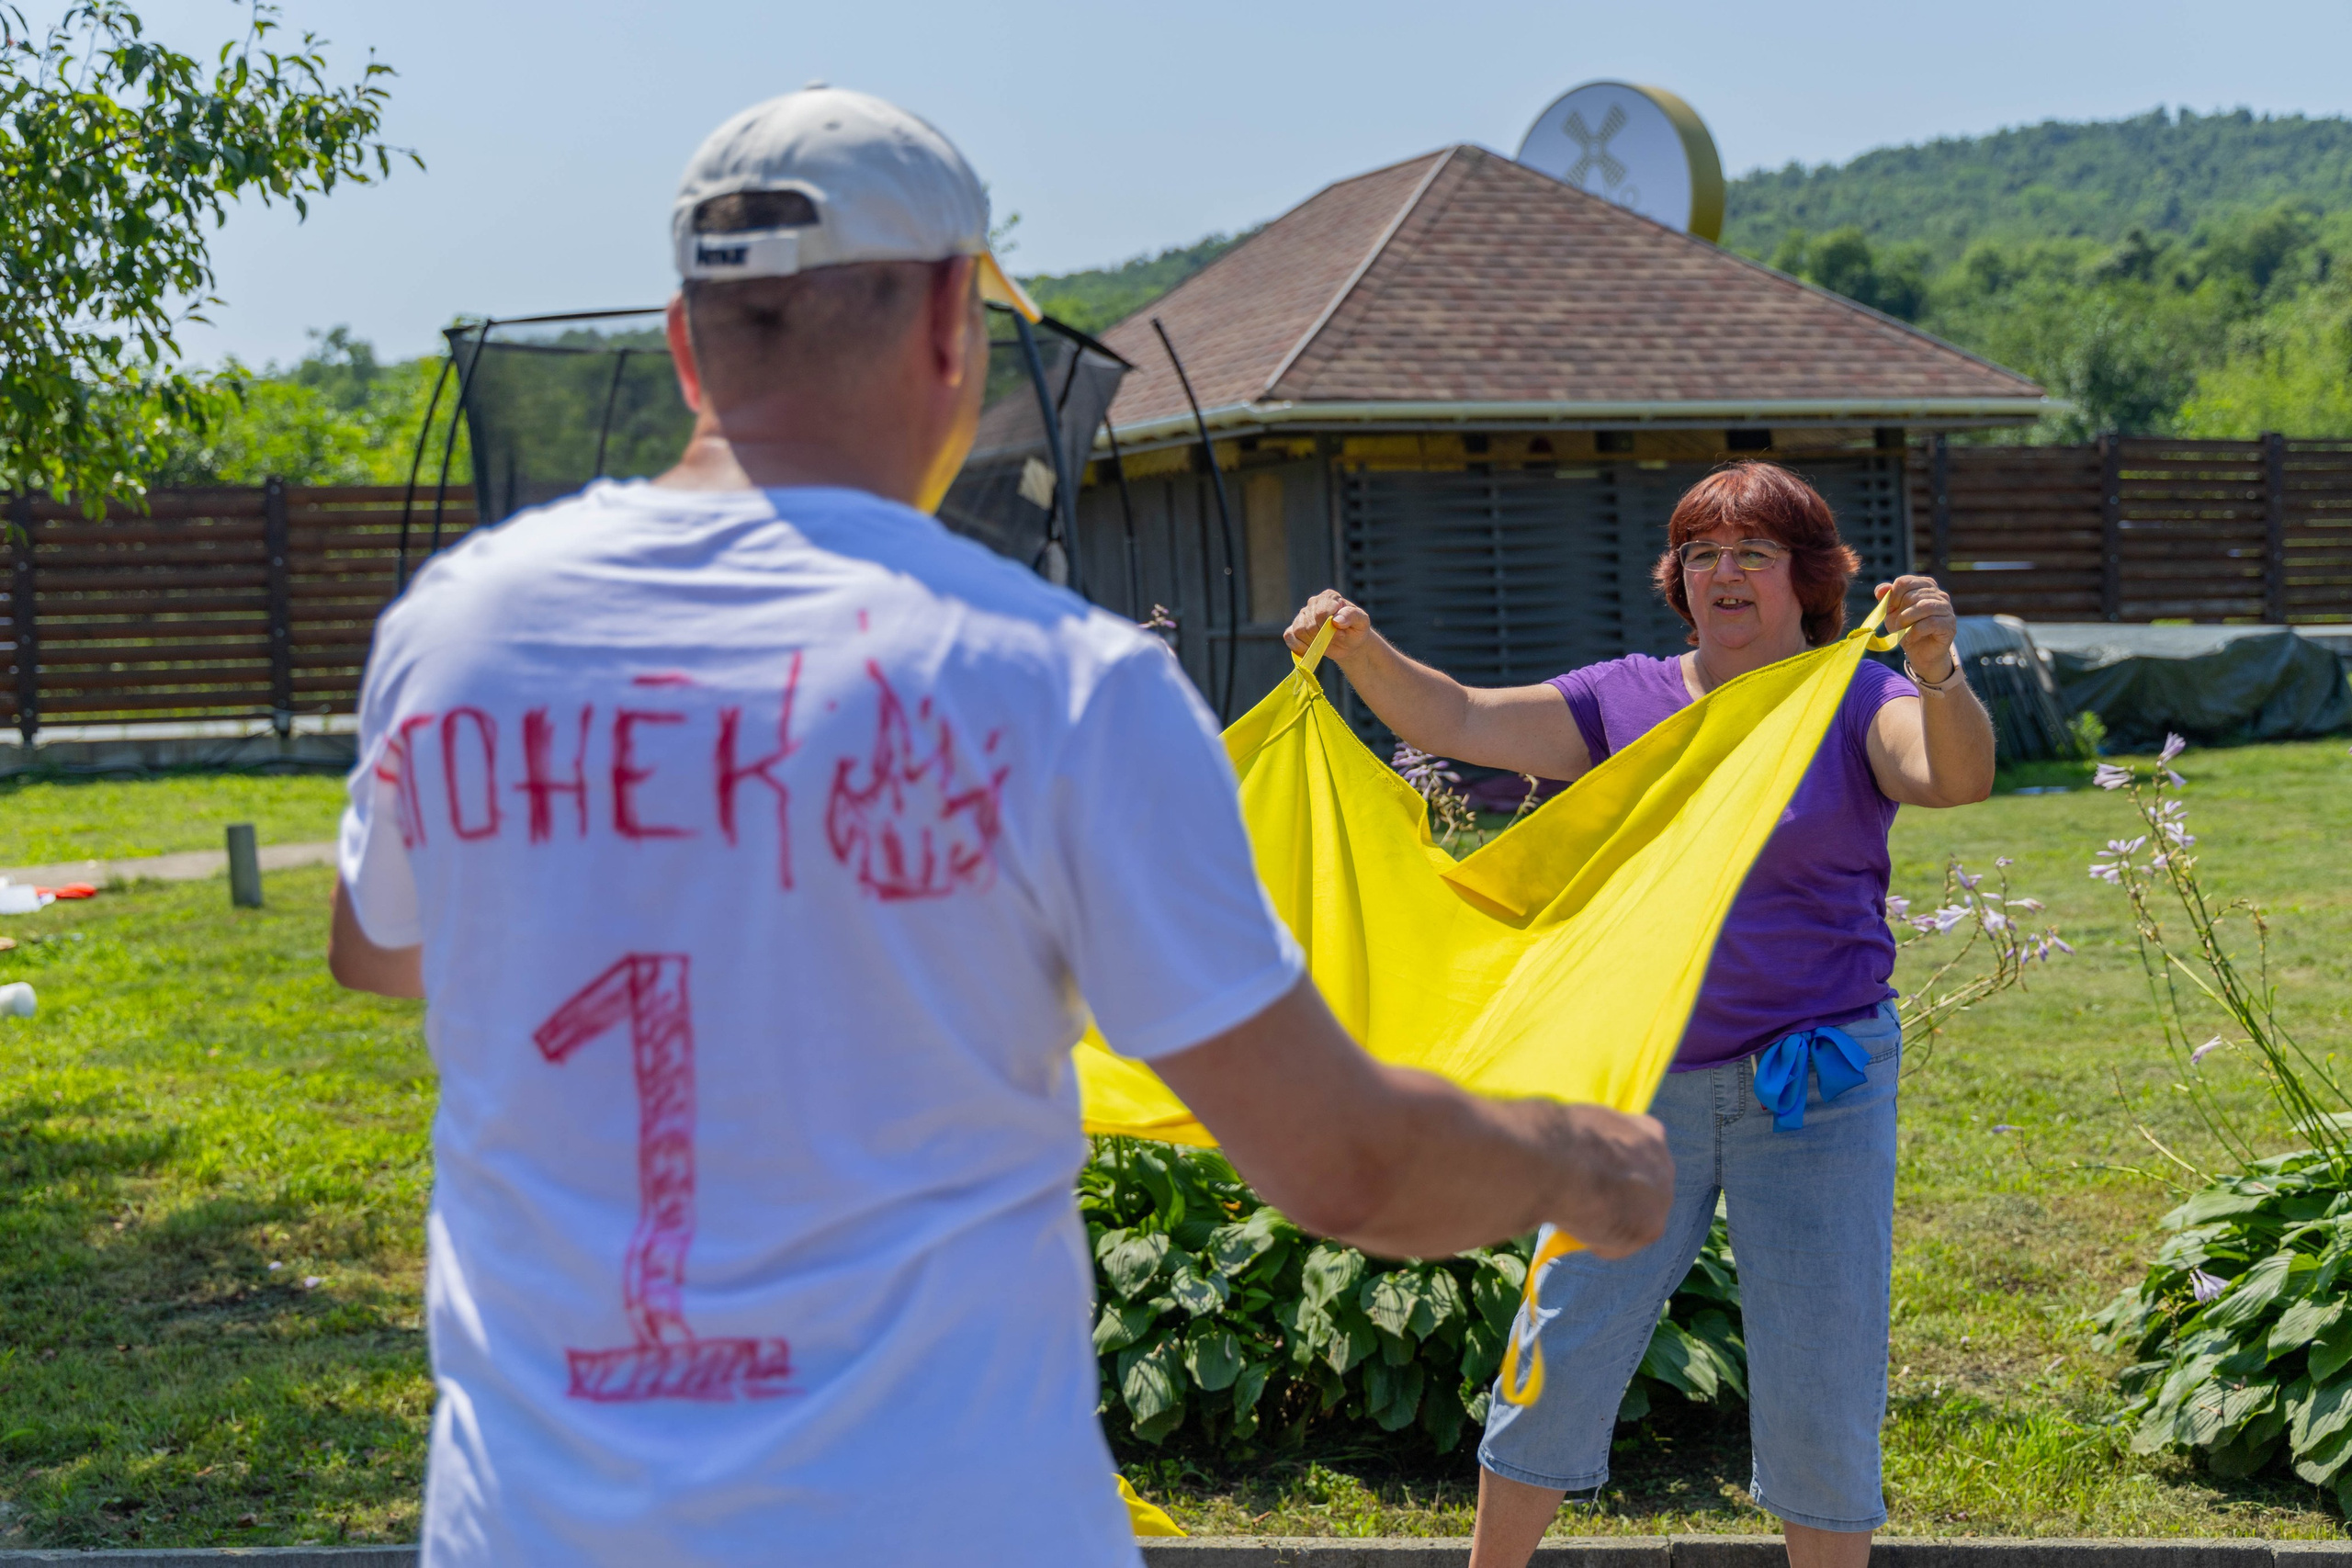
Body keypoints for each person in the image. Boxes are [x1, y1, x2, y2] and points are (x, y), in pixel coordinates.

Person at [326, 87, 1673, 1568]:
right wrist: (1577, 1160)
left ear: (682, 342)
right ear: (957, 331)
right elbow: (1340, 1162)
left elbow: (383, 948)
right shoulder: (1057, 684)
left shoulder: (458, 630)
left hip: (532, 1530)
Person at [1283, 462, 1995, 1568]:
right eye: (1704, 553)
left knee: (1822, 1365)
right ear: (1678, 577)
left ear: (1807, 580)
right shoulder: (1625, 699)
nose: (1725, 573)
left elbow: (1950, 777)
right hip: (1636, 1082)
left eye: (1754, 554)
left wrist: (1938, 669)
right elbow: (1464, 717)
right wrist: (1358, 648)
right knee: (1561, 1342)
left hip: (1819, 1086)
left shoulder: (1860, 698)